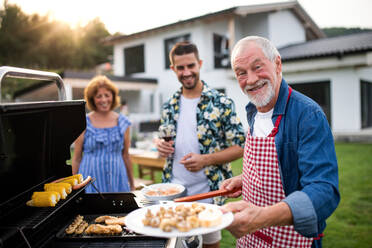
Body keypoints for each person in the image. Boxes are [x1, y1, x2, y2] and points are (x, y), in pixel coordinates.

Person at [220, 36, 340, 247]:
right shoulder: (254, 112)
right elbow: (278, 167)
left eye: (257, 67)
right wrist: (246, 179)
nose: (251, 80)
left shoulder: (308, 115)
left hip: (292, 239)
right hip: (252, 239)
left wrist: (261, 218)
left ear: (277, 64)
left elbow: (324, 191)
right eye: (241, 73)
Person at [156, 41, 245, 248]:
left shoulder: (221, 102)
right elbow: (165, 140)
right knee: (175, 245)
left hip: (208, 193)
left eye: (191, 66)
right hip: (174, 193)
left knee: (210, 245)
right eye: (180, 67)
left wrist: (205, 159)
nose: (186, 72)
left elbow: (241, 146)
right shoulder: (169, 106)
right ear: (173, 69)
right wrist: (161, 147)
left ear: (200, 64)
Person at [72, 75, 135, 193]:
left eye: (107, 95)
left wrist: (132, 184)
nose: (104, 100)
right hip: (89, 182)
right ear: (92, 99)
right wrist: (72, 187)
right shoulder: (83, 123)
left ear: (113, 96)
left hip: (118, 180)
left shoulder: (124, 123)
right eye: (99, 96)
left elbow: (126, 155)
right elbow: (76, 158)